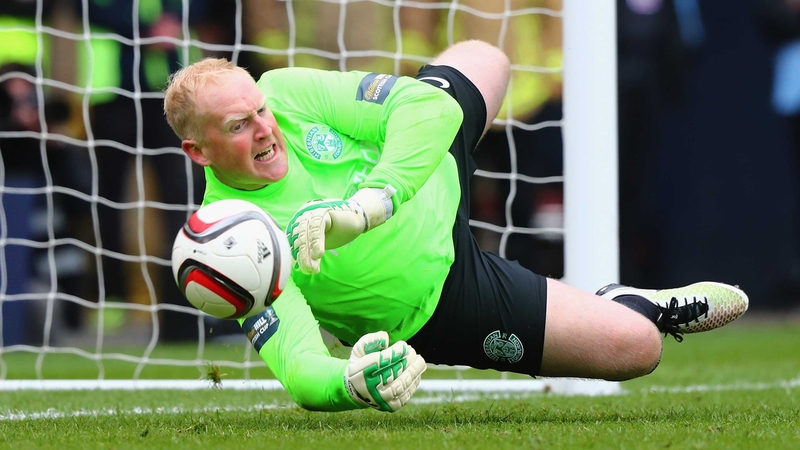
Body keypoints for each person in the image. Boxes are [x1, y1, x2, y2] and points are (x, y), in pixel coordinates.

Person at [163, 39, 750, 412]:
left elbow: (430, 110)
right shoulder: (235, 242)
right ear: (200, 152)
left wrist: (370, 205)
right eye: (240, 125)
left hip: (432, 169)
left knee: (484, 57)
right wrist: (352, 383)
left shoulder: (287, 91)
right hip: (443, 301)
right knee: (636, 347)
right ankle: (621, 302)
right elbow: (298, 367)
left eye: (259, 110)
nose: (265, 127)